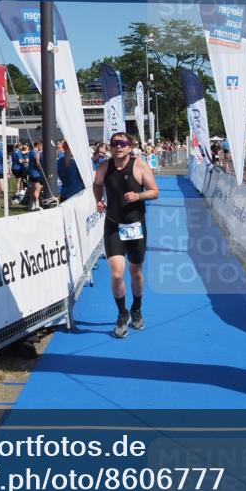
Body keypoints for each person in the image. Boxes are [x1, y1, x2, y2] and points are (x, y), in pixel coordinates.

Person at [93, 132, 159, 339]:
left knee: (136, 272)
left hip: (135, 226)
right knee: (116, 274)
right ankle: (122, 314)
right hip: (113, 225)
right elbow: (97, 185)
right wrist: (99, 201)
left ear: (129, 147)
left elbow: (155, 191)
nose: (118, 147)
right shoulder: (104, 167)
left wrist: (138, 195)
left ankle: (136, 308)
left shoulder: (139, 166)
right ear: (110, 147)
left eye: (122, 143)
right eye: (114, 144)